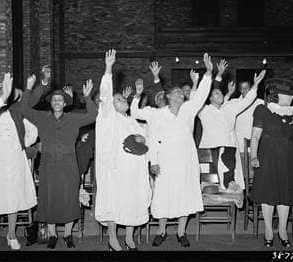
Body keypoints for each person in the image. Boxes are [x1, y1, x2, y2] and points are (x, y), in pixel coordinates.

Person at [131, 53, 213, 247]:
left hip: (186, 157)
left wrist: (209, 73)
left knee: (184, 192)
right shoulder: (157, 114)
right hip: (165, 158)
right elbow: (136, 113)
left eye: (181, 93)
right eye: (176, 92)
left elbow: (201, 94)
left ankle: (181, 232)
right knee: (163, 194)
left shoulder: (189, 109)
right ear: (168, 96)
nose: (180, 95)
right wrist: (137, 95)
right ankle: (161, 231)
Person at [19, 75, 97, 249]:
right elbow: (24, 108)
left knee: (69, 198)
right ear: (51, 102)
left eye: (60, 99)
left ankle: (68, 234)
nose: (57, 102)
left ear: (65, 103)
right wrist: (31, 87)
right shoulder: (41, 117)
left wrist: (87, 97)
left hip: (69, 163)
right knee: (49, 198)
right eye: (54, 99)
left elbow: (93, 114)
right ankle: (53, 235)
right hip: (48, 163)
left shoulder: (74, 118)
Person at [95, 49, 151, 251]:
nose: (122, 100)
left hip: (134, 169)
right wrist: (108, 70)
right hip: (116, 168)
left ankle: (129, 237)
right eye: (118, 99)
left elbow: (146, 139)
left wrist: (143, 137)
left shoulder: (133, 120)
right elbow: (105, 96)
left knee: (132, 200)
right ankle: (112, 238)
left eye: (122, 99)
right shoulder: (108, 116)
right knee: (114, 200)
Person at [250, 78, 293, 248]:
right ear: (278, 94)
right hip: (266, 158)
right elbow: (256, 135)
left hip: (287, 160)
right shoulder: (262, 110)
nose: (291, 98)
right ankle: (267, 230)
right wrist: (253, 156)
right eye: (289, 94)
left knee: (285, 195)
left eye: (292, 95)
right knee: (268, 194)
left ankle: (282, 230)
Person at [198, 70, 266, 190]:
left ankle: (230, 185)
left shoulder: (229, 109)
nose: (221, 95)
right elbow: (196, 99)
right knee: (209, 183)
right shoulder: (204, 111)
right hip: (209, 151)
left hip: (228, 151)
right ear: (209, 99)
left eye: (220, 93)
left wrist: (256, 84)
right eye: (217, 94)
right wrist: (205, 76)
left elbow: (247, 101)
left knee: (230, 177)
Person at [0, 73, 37, 250]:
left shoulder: (21, 115)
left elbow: (32, 134)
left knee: (13, 196)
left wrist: (22, 144)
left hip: (14, 159)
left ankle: (12, 234)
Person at [231, 81, 264, 155]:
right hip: (238, 144)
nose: (244, 91)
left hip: (256, 144)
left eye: (247, 88)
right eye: (242, 88)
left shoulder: (260, 103)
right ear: (239, 90)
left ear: (251, 88)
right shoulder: (234, 103)